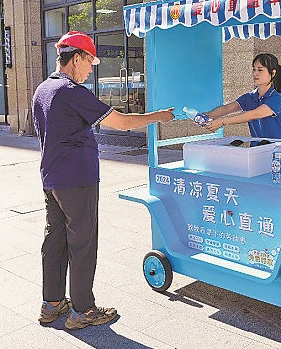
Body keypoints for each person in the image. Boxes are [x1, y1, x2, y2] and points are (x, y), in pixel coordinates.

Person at [32, 31, 174, 330]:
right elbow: (122, 122)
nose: (90, 70)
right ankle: (82, 310)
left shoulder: (43, 89)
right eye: (89, 62)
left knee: (54, 241)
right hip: (77, 178)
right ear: (76, 58)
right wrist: (158, 116)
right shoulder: (71, 91)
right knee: (82, 244)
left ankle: (52, 303)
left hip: (52, 178)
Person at [201, 53, 281, 139]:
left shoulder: (277, 98)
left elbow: (254, 114)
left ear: (273, 73)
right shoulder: (249, 97)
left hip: (276, 146)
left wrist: (222, 121)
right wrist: (207, 115)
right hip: (256, 146)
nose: (255, 73)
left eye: (260, 70)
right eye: (254, 69)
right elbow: (227, 108)